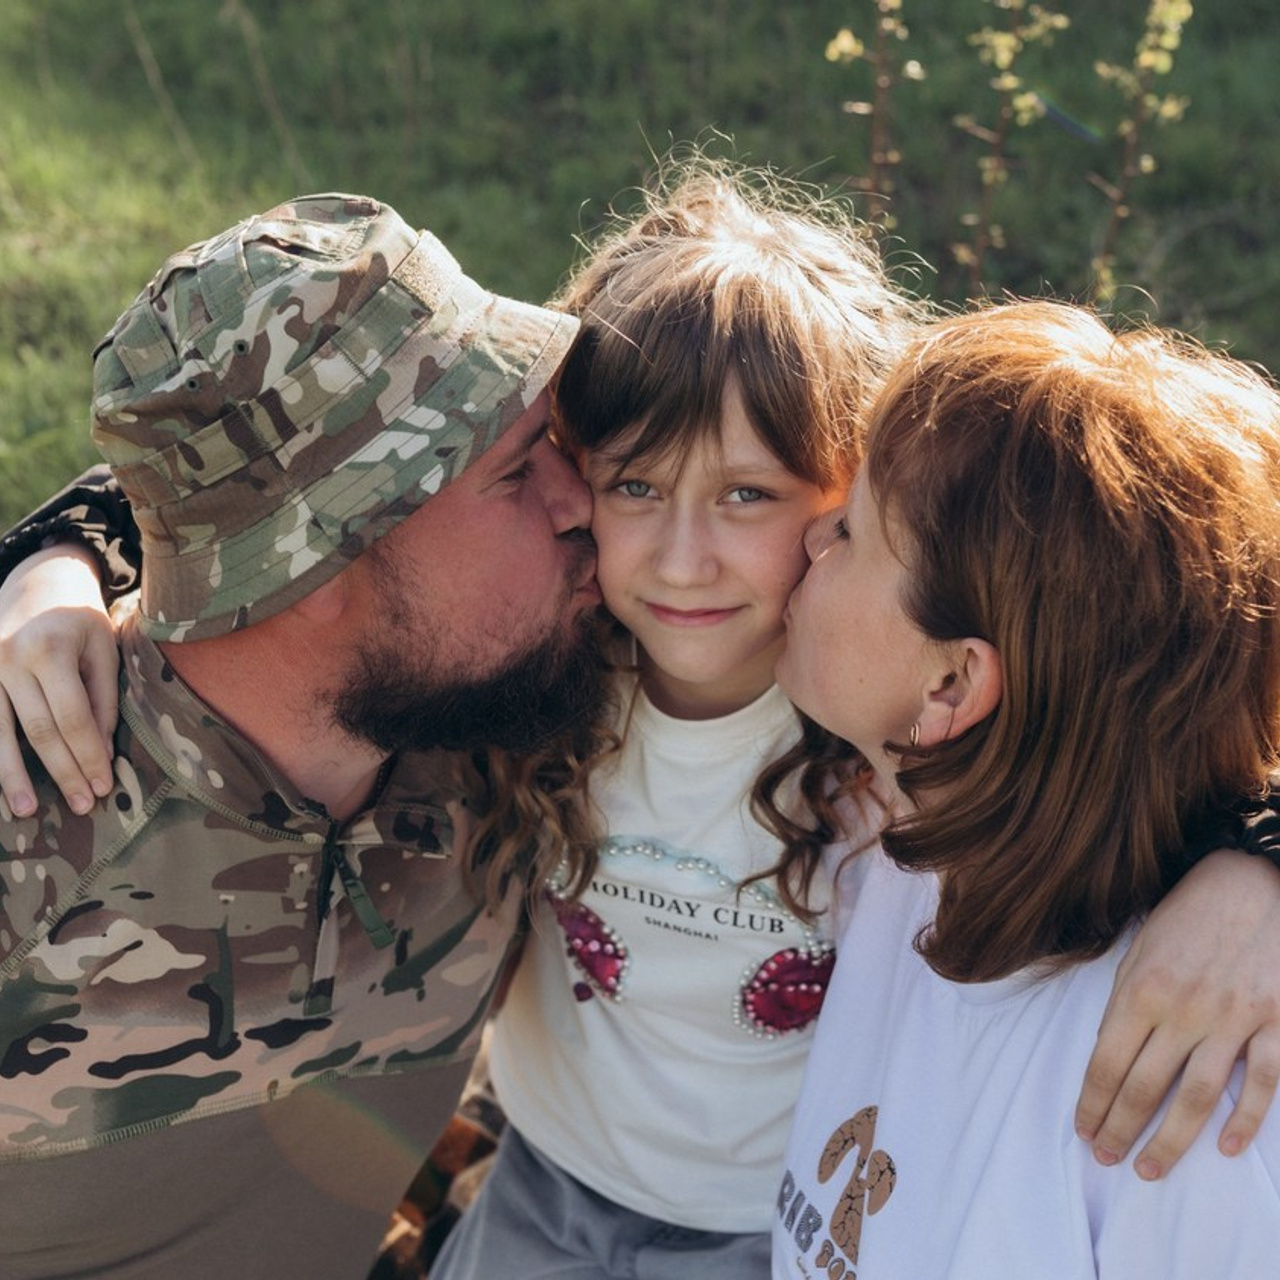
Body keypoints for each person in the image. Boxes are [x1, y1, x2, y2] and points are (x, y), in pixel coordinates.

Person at [5, 167, 1280, 1280]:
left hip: (766, 1227)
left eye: (761, 499)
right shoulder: (533, 683)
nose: (665, 549)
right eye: (596, 479)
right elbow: (262, 456)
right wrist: (59, 554)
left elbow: (1138, 623)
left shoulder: (870, 724)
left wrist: (1254, 856)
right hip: (547, 1192)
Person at [0, 192, 605, 1280]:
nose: (584, 504)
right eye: (517, 471)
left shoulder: (508, 731)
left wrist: (52, 552)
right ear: (316, 570)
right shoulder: (28, 830)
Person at [772, 299, 1280, 1277]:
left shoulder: (1181, 1106)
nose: (809, 531)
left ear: (951, 685)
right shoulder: (891, 831)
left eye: (857, 531)